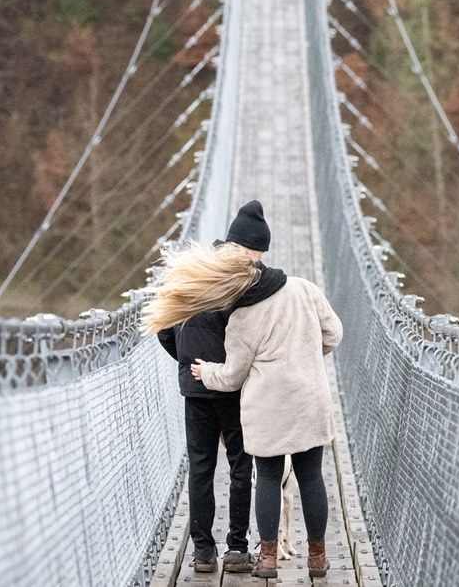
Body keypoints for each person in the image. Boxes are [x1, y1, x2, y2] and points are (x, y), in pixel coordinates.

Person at [143, 200, 343, 580]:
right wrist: (301, 355)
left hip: (238, 395)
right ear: (259, 253)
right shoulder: (282, 288)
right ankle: (290, 555)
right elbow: (332, 334)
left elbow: (215, 362)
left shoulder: (221, 294)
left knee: (236, 473)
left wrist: (195, 367)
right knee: (293, 475)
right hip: (279, 394)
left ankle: (237, 556)